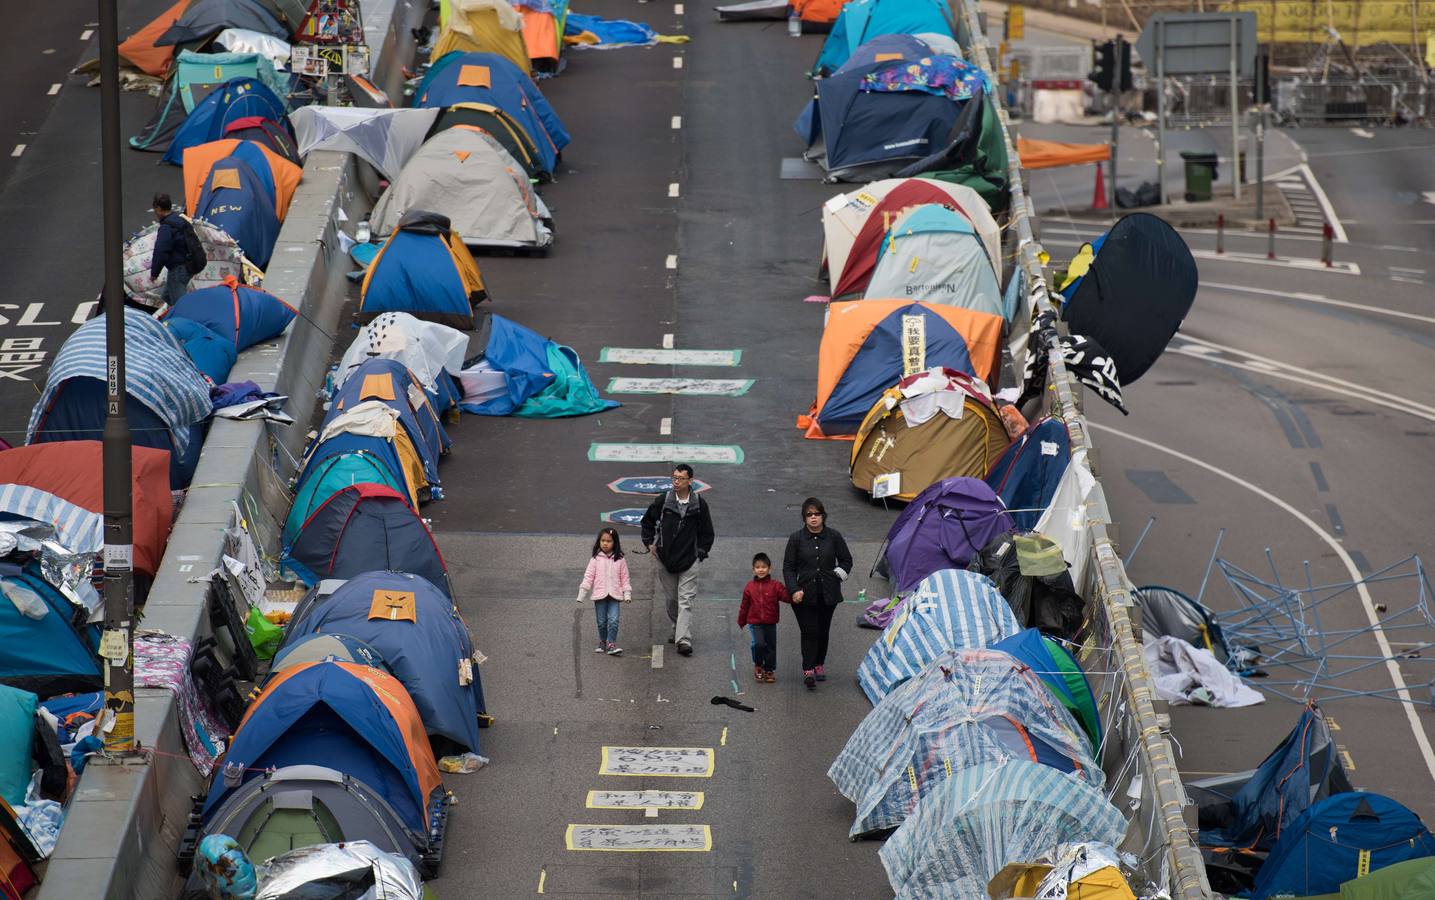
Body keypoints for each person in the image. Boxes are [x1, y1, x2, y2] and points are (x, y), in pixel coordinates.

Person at [640, 463, 714, 656]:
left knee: (686, 601)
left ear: (690, 481)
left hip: (690, 560)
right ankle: (677, 627)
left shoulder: (699, 504)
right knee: (672, 600)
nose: (676, 482)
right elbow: (647, 522)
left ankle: (683, 640)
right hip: (666, 560)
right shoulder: (663, 501)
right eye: (674, 478)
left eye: (680, 478)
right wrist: (649, 544)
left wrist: (700, 553)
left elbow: (707, 532)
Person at [783, 497, 854, 691]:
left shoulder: (834, 536)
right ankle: (808, 670)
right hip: (804, 595)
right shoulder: (796, 539)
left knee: (823, 630)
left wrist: (836, 576)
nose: (813, 518)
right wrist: (794, 589)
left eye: (817, 514)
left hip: (828, 594)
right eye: (809, 514)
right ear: (804, 518)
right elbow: (788, 567)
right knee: (810, 631)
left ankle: (818, 663)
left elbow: (846, 561)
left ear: (823, 516)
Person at [575, 527, 632, 655]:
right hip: (600, 595)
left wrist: (627, 593)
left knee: (614, 620)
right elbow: (588, 577)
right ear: (599, 542)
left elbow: (625, 578)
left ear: (615, 543)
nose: (605, 543)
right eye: (603, 541)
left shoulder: (620, 559)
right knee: (601, 622)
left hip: (615, 596)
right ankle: (603, 641)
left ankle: (612, 644)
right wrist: (582, 594)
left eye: (609, 541)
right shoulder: (595, 559)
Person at [737, 552, 790, 683]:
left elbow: (785, 596)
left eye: (764, 567)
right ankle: (758, 664)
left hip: (770, 622)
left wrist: (796, 595)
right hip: (755, 622)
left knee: (771, 646)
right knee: (759, 644)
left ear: (769, 568)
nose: (761, 570)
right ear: (753, 569)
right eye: (758, 567)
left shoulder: (775, 586)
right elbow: (744, 605)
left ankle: (769, 669)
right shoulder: (749, 587)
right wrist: (741, 620)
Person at [150, 193, 194, 305]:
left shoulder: (166, 227)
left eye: (155, 210)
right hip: (188, 265)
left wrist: (154, 272)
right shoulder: (179, 220)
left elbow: (161, 251)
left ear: (159, 209)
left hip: (177, 269)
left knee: (180, 304)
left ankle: (182, 320)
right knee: (166, 297)